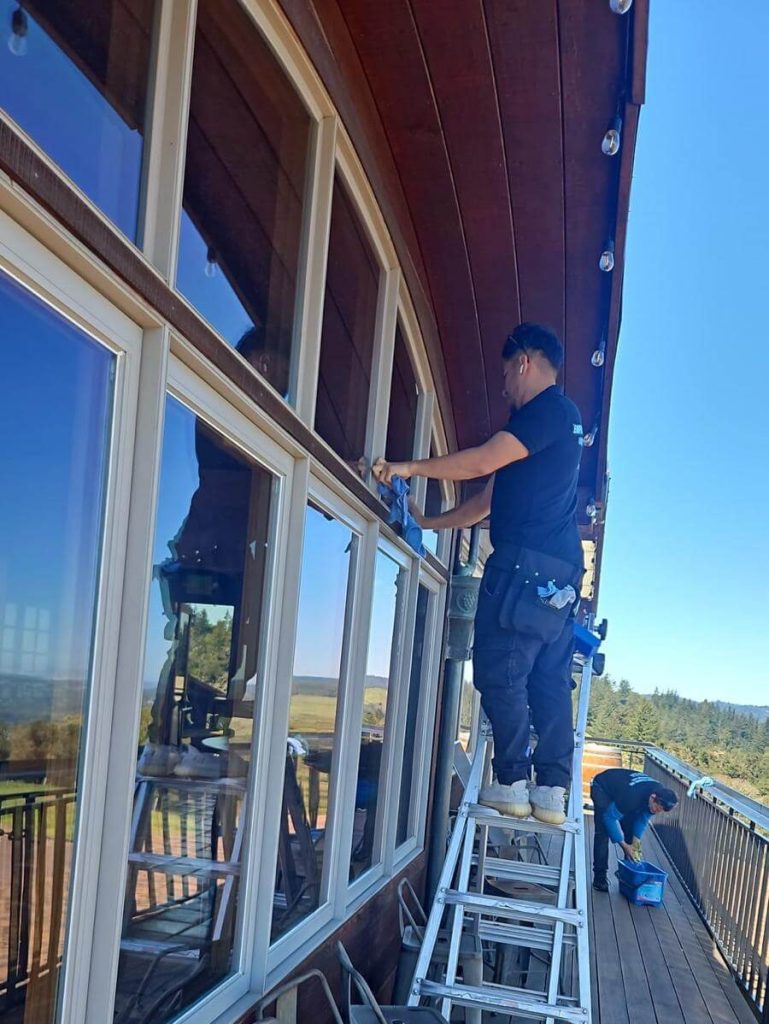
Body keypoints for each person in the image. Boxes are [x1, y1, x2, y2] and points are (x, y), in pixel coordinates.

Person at [373, 322, 584, 825]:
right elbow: (482, 504)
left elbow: (481, 461)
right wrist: (425, 522)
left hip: (523, 567)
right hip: (558, 575)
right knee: (547, 680)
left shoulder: (547, 411)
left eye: (506, 372)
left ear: (524, 363)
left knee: (499, 668)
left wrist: (409, 467)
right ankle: (552, 790)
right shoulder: (548, 432)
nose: (504, 384)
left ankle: (511, 780)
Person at [590, 768, 678, 892]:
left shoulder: (660, 794)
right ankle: (599, 878)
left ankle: (628, 875)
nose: (657, 811)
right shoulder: (632, 798)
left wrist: (635, 843)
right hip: (602, 787)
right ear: (653, 798)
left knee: (630, 832)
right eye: (657, 808)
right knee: (603, 832)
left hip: (622, 791)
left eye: (660, 811)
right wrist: (624, 846)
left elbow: (642, 820)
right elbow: (609, 818)